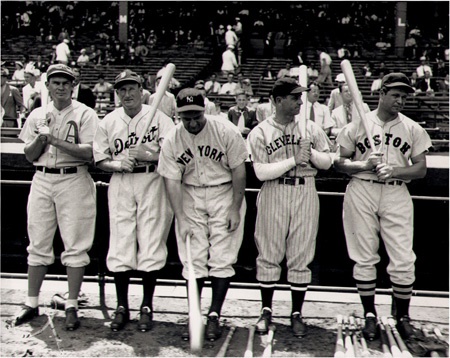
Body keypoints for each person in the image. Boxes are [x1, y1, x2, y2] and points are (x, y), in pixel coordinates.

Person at [333, 73, 432, 341]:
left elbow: (421, 169)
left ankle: (402, 316)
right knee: (364, 256)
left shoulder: (412, 128)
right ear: (382, 93)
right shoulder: (356, 127)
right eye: (395, 95)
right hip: (362, 188)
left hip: (396, 192)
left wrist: (396, 170)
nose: (400, 100)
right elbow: (339, 163)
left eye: (404, 96)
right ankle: (369, 316)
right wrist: (364, 164)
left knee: (403, 258)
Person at [157, 88, 248, 341]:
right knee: (193, 259)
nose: (192, 122)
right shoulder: (173, 138)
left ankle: (214, 315)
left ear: (204, 109)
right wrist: (181, 217)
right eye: (186, 118)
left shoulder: (225, 130)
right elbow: (171, 180)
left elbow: (239, 171)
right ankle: (195, 314)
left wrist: (234, 208)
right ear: (178, 116)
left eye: (196, 115)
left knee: (222, 257)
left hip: (224, 192)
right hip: (190, 195)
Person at [14, 64, 99, 330]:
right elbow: (29, 155)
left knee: (75, 244)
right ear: (48, 86)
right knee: (38, 241)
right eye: (55, 82)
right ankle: (31, 302)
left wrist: (54, 140)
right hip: (42, 177)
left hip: (74, 178)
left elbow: (90, 153)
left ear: (73, 86)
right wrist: (41, 137)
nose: (60, 87)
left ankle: (72, 304)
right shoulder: (38, 114)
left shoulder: (86, 114)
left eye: (65, 82)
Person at [247, 77, 332, 337]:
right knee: (269, 252)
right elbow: (260, 172)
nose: (299, 101)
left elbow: (327, 162)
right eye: (294, 97)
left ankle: (296, 313)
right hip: (274, 189)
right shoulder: (260, 131)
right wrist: (294, 158)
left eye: (300, 97)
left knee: (301, 252)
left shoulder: (310, 128)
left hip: (305, 188)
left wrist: (312, 154)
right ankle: (266, 311)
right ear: (277, 101)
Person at [93, 69, 175, 332]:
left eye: (132, 88)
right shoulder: (108, 121)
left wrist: (150, 154)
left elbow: (174, 154)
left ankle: (146, 306)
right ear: (117, 93)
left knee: (151, 241)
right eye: (122, 89)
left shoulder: (161, 119)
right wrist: (117, 163)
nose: (127, 94)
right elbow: (99, 158)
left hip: (152, 180)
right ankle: (121, 306)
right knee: (121, 242)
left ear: (142, 91)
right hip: (121, 181)